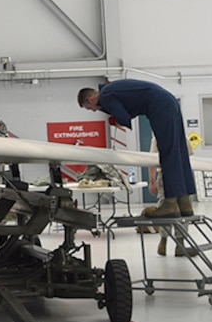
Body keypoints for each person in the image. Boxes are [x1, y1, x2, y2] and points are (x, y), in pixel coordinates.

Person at [78, 78, 196, 219]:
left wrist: (114, 117)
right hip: (169, 101)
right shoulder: (111, 88)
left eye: (89, 108)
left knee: (168, 154)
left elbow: (123, 117)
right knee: (179, 152)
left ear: (91, 99)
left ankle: (170, 204)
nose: (93, 111)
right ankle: (185, 203)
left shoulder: (105, 96)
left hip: (159, 106)